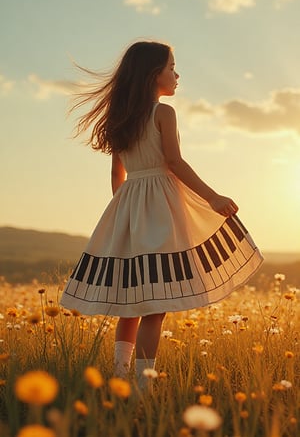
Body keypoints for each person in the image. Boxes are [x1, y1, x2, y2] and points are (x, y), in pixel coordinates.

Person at [60, 40, 263, 389]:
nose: (177, 74)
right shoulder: (163, 113)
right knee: (155, 304)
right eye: (172, 67)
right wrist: (212, 197)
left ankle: (119, 380)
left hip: (126, 207)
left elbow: (116, 175)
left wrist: (125, 215)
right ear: (155, 74)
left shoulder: (120, 118)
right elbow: (173, 162)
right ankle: (142, 390)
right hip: (160, 209)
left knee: (129, 306)